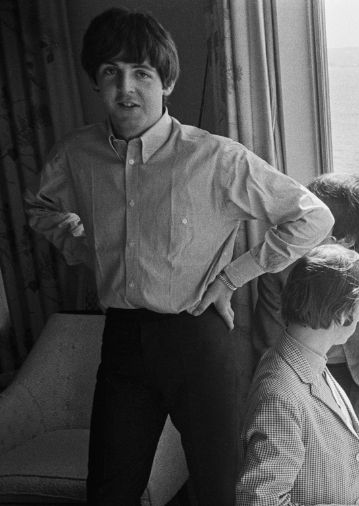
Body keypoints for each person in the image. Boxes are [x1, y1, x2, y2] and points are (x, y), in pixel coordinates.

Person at [25, 8, 333, 505]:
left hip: (198, 340)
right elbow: (40, 207)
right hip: (123, 342)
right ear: (96, 83)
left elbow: (312, 217)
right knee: (108, 489)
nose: (126, 87)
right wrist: (83, 246)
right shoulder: (76, 155)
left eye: (141, 73)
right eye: (110, 72)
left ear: (165, 82)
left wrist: (233, 277)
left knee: (218, 489)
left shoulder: (216, 159)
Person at [237, 244, 359, 505]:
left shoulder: (309, 363)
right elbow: (260, 502)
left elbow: (328, 451)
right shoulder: (280, 398)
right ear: (343, 317)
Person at [254, 173, 359, 435]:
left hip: (348, 378)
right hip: (292, 375)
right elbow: (269, 346)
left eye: (312, 222)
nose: (299, 229)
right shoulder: (280, 266)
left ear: (345, 239)